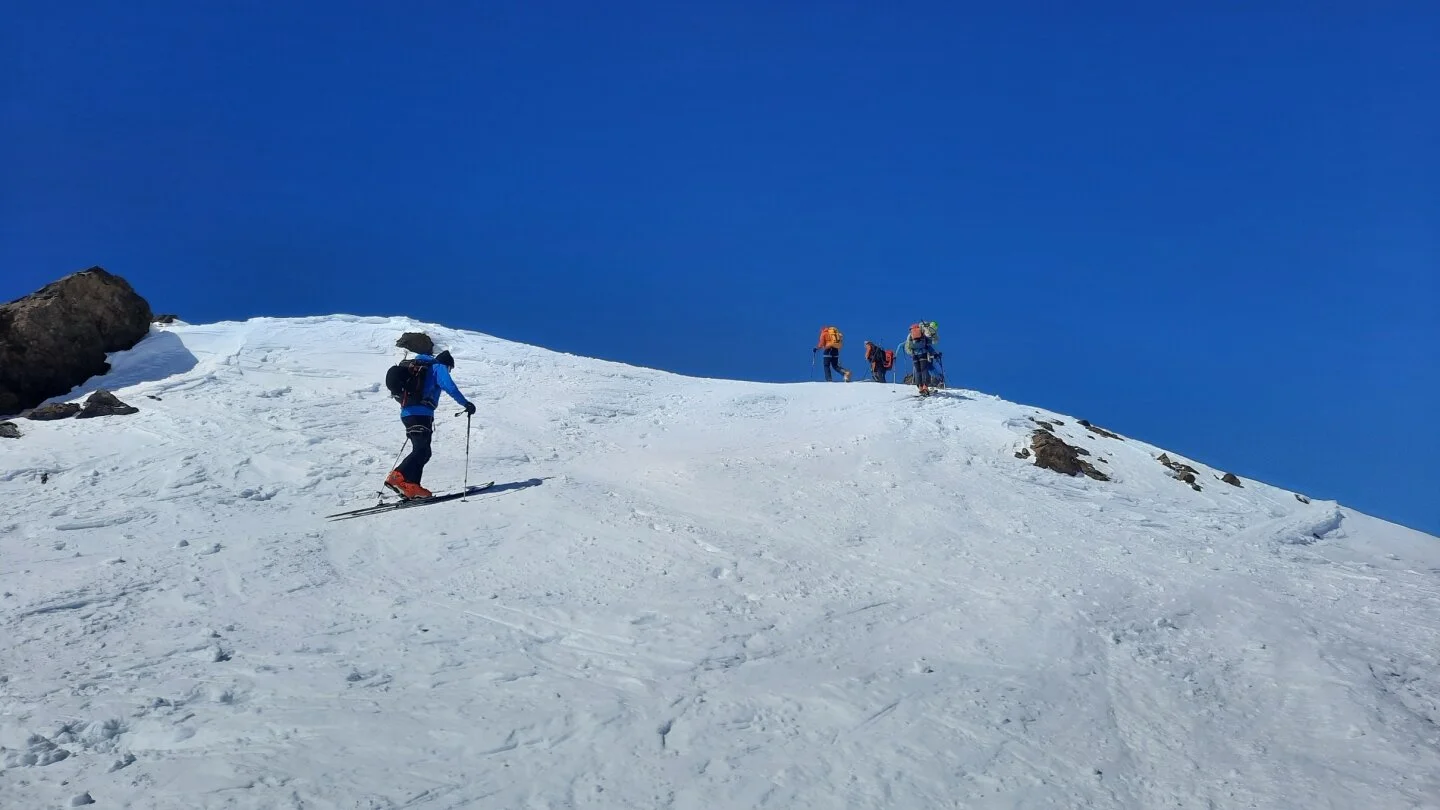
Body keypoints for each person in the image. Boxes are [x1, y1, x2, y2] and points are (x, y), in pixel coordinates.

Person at [386, 349, 476, 499]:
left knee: (423, 450)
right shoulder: (437, 367)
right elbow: (449, 386)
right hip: (420, 414)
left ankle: (412, 487)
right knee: (422, 450)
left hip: (408, 414)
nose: (449, 371)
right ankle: (397, 476)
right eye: (450, 369)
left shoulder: (419, 367)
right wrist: (466, 404)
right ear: (447, 364)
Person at [904, 321, 941, 396]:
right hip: (923, 354)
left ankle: (920, 387)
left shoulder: (910, 335)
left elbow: (907, 347)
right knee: (924, 370)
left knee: (918, 371)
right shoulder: (923, 333)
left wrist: (912, 353)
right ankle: (925, 387)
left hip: (914, 356)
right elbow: (930, 343)